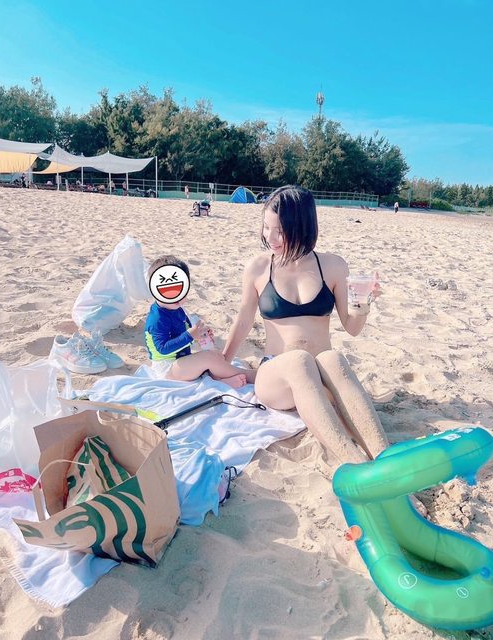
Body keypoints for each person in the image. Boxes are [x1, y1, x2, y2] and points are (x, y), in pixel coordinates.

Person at [222, 185, 389, 467]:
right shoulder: (259, 268)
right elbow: (244, 319)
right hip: (278, 376)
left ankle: (386, 458)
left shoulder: (333, 266)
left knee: (333, 358)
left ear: (302, 227)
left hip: (322, 376)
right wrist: (223, 361)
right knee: (299, 360)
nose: (270, 238)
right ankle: (356, 465)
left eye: (280, 231)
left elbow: (352, 327)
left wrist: (363, 304)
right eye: (266, 228)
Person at [145, 255, 257, 389]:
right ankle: (249, 376)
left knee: (215, 355)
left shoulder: (177, 309)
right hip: (167, 369)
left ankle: (219, 379)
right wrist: (190, 336)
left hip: (180, 362)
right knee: (208, 358)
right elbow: (163, 349)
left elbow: (184, 331)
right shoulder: (157, 318)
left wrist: (200, 335)